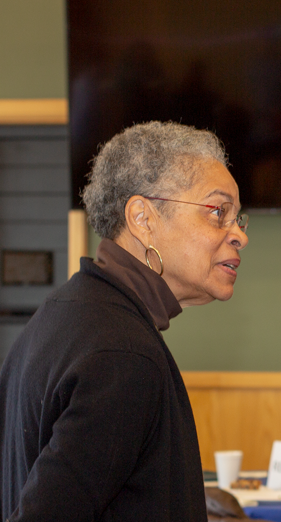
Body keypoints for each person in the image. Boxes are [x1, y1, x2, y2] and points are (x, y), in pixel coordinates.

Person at [0, 121, 249, 520]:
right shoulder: (123, 354)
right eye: (218, 212)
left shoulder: (65, 311)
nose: (239, 235)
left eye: (238, 218)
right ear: (143, 218)